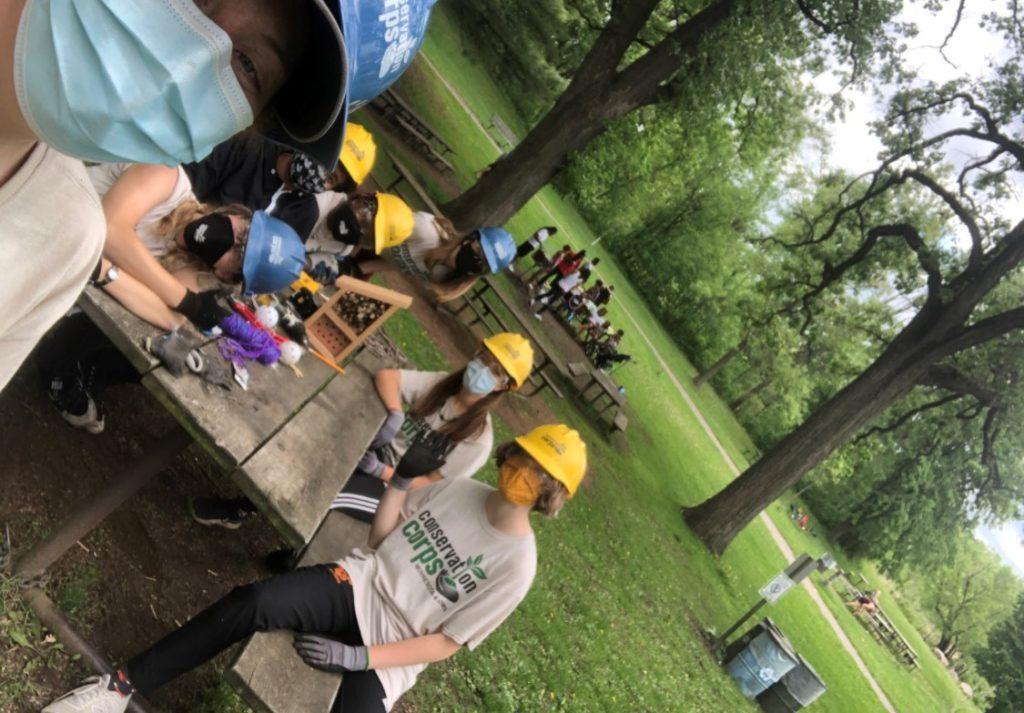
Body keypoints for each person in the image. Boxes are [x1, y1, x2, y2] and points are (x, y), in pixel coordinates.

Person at [0, 0, 438, 391]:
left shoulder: (63, 234)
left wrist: (169, 305)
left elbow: (121, 272)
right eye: (244, 236)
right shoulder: (166, 181)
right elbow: (115, 240)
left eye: (248, 65)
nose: (189, 57)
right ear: (240, 213)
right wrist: (179, 301)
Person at [44, 424, 587, 713]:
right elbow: (383, 544)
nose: (526, 473)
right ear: (511, 452)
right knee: (253, 602)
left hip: (390, 654)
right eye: (526, 459)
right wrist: (399, 483)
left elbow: (444, 644)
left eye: (543, 475)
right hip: (356, 586)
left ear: (553, 496)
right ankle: (117, 687)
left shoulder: (517, 565)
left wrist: (359, 657)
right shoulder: (461, 490)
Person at [193, 332, 534, 531]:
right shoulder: (442, 385)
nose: (483, 371)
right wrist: (397, 415)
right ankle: (244, 506)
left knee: (331, 489)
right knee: (317, 449)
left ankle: (292, 547)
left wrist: (381, 471)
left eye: (495, 371)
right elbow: (387, 377)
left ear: (503, 387)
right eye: (484, 359)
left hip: (396, 494)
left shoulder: (477, 439)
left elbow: (430, 485)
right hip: (374, 451)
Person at [183, 123, 378, 241]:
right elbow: (186, 184)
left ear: (335, 188)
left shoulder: (305, 213)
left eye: (331, 178)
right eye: (323, 161)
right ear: (315, 143)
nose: (320, 174)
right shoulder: (250, 146)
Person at [362, 218, 517, 302]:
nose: (477, 261)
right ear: (470, 239)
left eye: (484, 264)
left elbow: (399, 262)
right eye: (479, 252)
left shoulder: (442, 276)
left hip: (367, 260)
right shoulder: (425, 230)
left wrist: (362, 269)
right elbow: (373, 224)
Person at [304, 191, 416, 284]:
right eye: (366, 220)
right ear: (366, 197)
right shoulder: (318, 202)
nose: (361, 230)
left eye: (368, 239)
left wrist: (309, 264)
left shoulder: (343, 248)